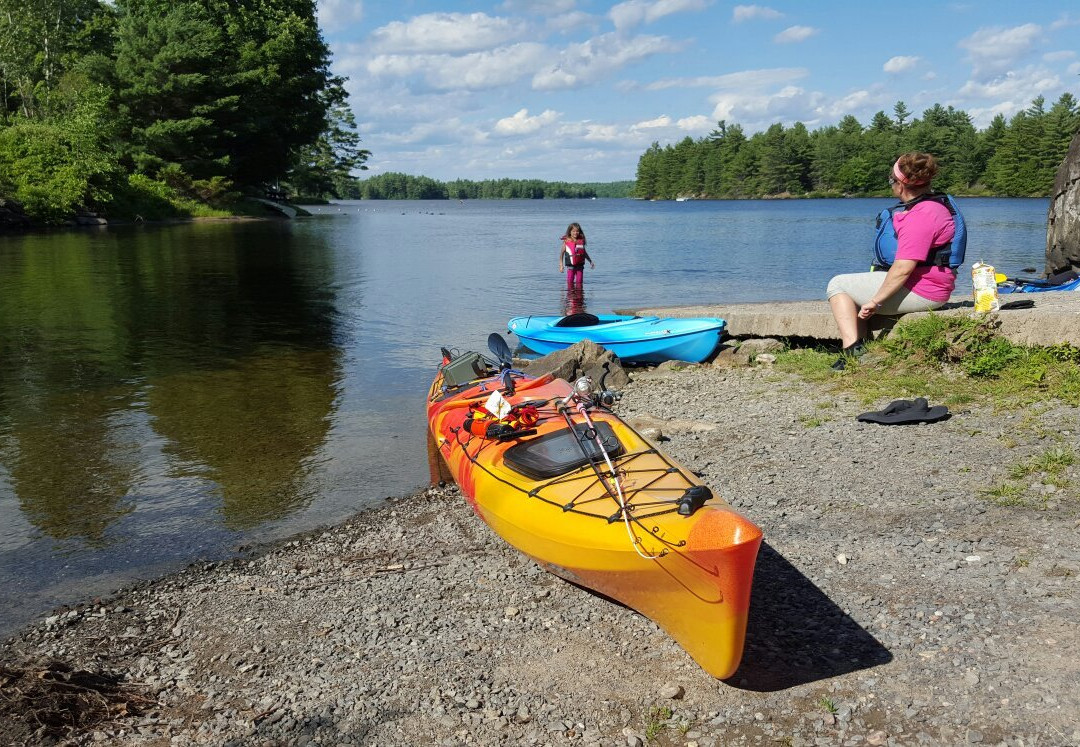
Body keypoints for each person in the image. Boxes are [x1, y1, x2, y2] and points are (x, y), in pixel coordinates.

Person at [825, 152, 965, 371]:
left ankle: (851, 350)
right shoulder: (936, 205)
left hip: (924, 291)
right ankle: (862, 347)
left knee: (838, 284)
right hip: (933, 284)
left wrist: (875, 301)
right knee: (857, 284)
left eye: (891, 181)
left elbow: (902, 268)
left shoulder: (920, 216)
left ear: (900, 184)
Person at [558, 222, 594, 290]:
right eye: (573, 231)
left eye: (577, 231)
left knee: (579, 283)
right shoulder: (567, 241)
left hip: (580, 267)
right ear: (570, 232)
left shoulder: (580, 241)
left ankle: (580, 298)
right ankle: (571, 298)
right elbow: (561, 254)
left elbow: (584, 253)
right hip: (571, 267)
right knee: (570, 284)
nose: (575, 233)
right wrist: (561, 265)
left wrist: (590, 261)